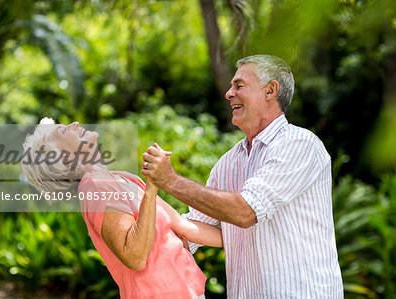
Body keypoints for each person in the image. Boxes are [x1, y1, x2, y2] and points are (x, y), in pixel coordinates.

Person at [141, 55, 343, 298]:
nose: (228, 93)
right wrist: (132, 208)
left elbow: (246, 212)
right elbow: (188, 231)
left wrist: (170, 180)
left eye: (239, 86)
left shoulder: (299, 144)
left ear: (270, 91)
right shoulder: (227, 164)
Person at [21, 117, 223, 299]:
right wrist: (152, 188)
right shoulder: (95, 186)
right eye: (64, 131)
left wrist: (245, 235)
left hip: (188, 290)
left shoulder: (124, 179)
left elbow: (184, 228)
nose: (75, 124)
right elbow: (135, 257)